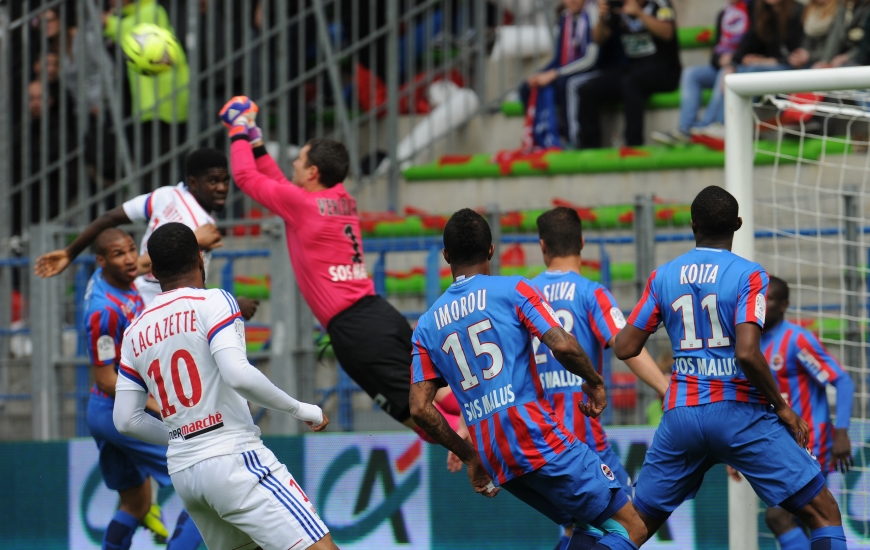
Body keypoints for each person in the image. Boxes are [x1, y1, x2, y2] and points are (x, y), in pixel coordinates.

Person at [614, 185, 847, 548]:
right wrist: (784, 408)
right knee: (824, 513)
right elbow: (748, 353)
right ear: (737, 224)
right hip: (739, 413)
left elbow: (625, 346)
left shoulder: (663, 276)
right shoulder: (748, 275)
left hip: (682, 414)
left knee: (635, 526)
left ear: (692, 224)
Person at [409, 208, 647, 550]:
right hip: (536, 438)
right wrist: (593, 380)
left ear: (446, 256)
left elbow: (419, 407)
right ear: (491, 250)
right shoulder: (514, 289)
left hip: (496, 456)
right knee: (632, 529)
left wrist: (471, 457)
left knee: (589, 529)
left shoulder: (427, 325)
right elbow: (562, 344)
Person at [113, 222, 338, 550]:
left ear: (155, 272)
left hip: (186, 473)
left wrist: (181, 437)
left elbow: (126, 420)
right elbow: (238, 375)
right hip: (233, 458)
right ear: (201, 258)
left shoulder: (135, 331)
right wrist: (303, 409)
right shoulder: (214, 302)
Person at [220, 96, 415, 428]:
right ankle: (484, 443)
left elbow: (244, 177)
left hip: (355, 329)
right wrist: (256, 142)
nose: (292, 163)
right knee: (431, 396)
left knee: (416, 415)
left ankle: (480, 456)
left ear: (312, 172)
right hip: (380, 315)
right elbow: (284, 187)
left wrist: (238, 129)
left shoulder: (302, 205)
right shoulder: (341, 197)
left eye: (299, 160)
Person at [532, 207, 670, 550]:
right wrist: (665, 388)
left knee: (579, 526)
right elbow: (626, 347)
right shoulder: (591, 293)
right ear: (582, 242)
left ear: (542, 246)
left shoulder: (523, 294)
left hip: (535, 433)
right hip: (580, 434)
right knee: (630, 520)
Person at [82, 228, 202, 550]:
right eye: (118, 255)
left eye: (132, 250)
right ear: (102, 261)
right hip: (115, 411)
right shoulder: (103, 310)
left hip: (109, 412)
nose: (129, 260)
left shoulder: (120, 283)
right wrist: (158, 405)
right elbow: (106, 379)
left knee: (136, 503)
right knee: (199, 474)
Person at [33, 147, 258, 317]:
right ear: (193, 183)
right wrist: (232, 307)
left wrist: (70, 252)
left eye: (225, 181)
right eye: (213, 181)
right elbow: (189, 288)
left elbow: (109, 218)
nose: (222, 188)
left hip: (139, 300)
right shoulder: (203, 227)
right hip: (162, 311)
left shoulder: (166, 195)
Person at [757, 275, 854, 550]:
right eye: (758, 299)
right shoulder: (751, 344)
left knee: (779, 516)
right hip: (778, 444)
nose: (762, 304)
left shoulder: (796, 340)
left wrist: (842, 432)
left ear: (785, 304)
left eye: (770, 298)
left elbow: (842, 381)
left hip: (810, 441)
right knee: (800, 517)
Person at [576, 0, 682, 148]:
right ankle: (589, 147)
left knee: (630, 82)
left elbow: (667, 32)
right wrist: (601, 17)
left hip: (665, 71)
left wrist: (639, 13)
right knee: (587, 89)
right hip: (635, 69)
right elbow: (598, 39)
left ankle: (633, 144)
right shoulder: (618, 5)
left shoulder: (660, 3)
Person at [697, 0, 805, 139]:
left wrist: (767, 61)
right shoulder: (762, 12)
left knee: (751, 71)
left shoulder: (798, 11)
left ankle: (728, 125)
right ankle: (712, 125)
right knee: (733, 73)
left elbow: (796, 56)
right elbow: (749, 41)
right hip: (770, 67)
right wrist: (732, 65)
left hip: (794, 69)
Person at [519, 0, 616, 147]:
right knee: (528, 86)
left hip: (597, 70)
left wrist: (555, 73)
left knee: (567, 83)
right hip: (571, 70)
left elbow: (591, 59)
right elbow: (559, 58)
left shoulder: (593, 12)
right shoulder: (565, 17)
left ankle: (573, 139)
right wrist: (541, 74)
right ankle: (539, 139)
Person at [651, 0, 750, 145]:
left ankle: (708, 125)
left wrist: (733, 61)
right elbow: (716, 51)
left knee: (725, 73)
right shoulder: (723, 14)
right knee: (691, 74)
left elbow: (754, 44)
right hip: (725, 65)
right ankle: (685, 128)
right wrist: (721, 59)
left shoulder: (753, 10)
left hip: (742, 68)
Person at [818, 0, 870, 67]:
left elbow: (864, 44)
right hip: (841, 55)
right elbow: (835, 36)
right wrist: (825, 61)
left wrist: (846, 57)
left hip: (858, 58)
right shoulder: (844, 6)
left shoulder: (866, 8)